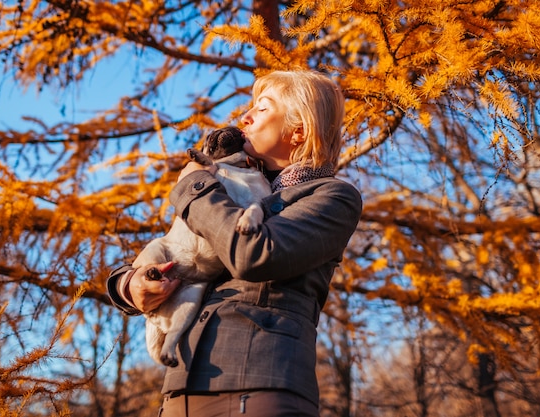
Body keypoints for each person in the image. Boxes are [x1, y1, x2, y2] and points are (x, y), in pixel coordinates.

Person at [107, 69, 362, 416]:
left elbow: (254, 255)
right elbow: (180, 247)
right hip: (182, 389)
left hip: (260, 389)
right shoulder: (230, 181)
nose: (245, 116)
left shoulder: (332, 196)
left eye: (263, 108)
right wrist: (128, 283)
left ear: (298, 129)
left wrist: (196, 188)